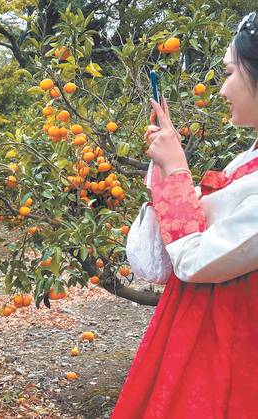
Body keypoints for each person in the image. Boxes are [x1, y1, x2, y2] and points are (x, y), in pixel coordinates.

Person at [111, 13, 258, 419]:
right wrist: (167, 162)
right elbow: (191, 223)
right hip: (201, 330)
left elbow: (194, 260)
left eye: (230, 72)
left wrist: (176, 172)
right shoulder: (249, 158)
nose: (223, 87)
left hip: (228, 347)